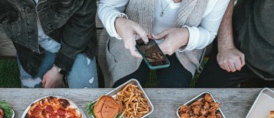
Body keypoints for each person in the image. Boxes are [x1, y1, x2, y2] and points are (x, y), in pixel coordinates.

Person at [97, 0, 229, 88]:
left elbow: (209, 32)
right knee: (124, 93)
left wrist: (187, 36)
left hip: (182, 50)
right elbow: (108, 7)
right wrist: (119, 23)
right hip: (130, 40)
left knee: (173, 95)